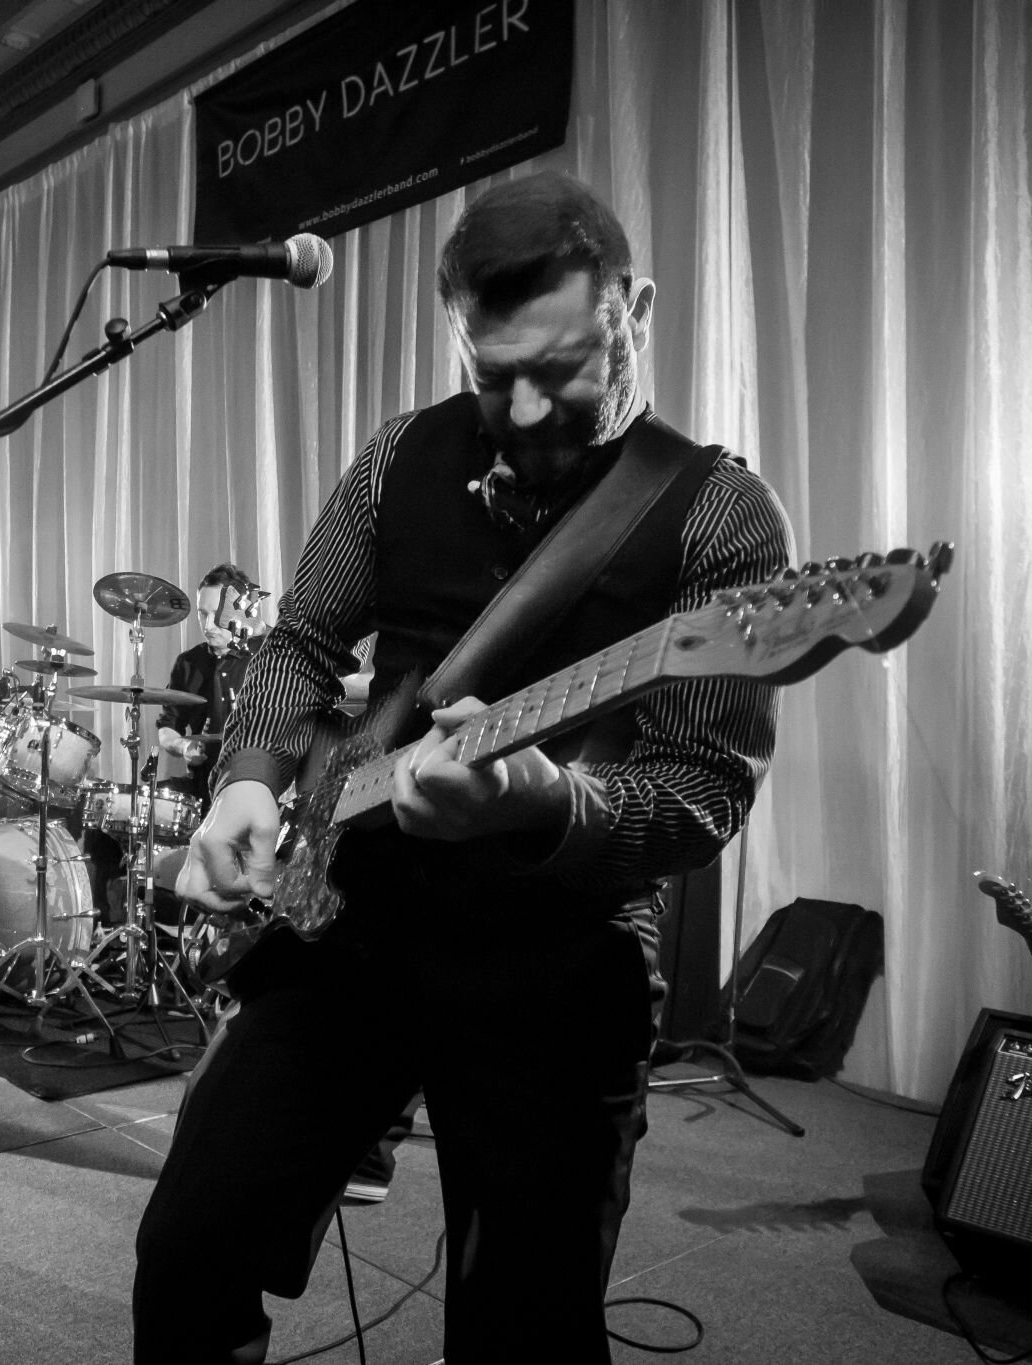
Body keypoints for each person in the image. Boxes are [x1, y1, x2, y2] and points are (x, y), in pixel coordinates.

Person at [131, 171, 792, 1363]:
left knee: (524, 1331)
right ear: (452, 336)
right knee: (190, 1250)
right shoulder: (397, 457)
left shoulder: (716, 514)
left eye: (565, 369)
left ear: (632, 310)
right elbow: (298, 645)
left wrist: (543, 803)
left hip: (563, 952)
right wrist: (246, 783)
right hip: (352, 916)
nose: (529, 412)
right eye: (492, 378)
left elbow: (701, 788)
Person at [156, 563, 267, 802]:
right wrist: (184, 747)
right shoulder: (189, 663)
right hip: (203, 786)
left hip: (260, 786)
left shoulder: (268, 655)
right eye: (202, 613)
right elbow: (168, 729)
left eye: (217, 614)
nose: (207, 626)